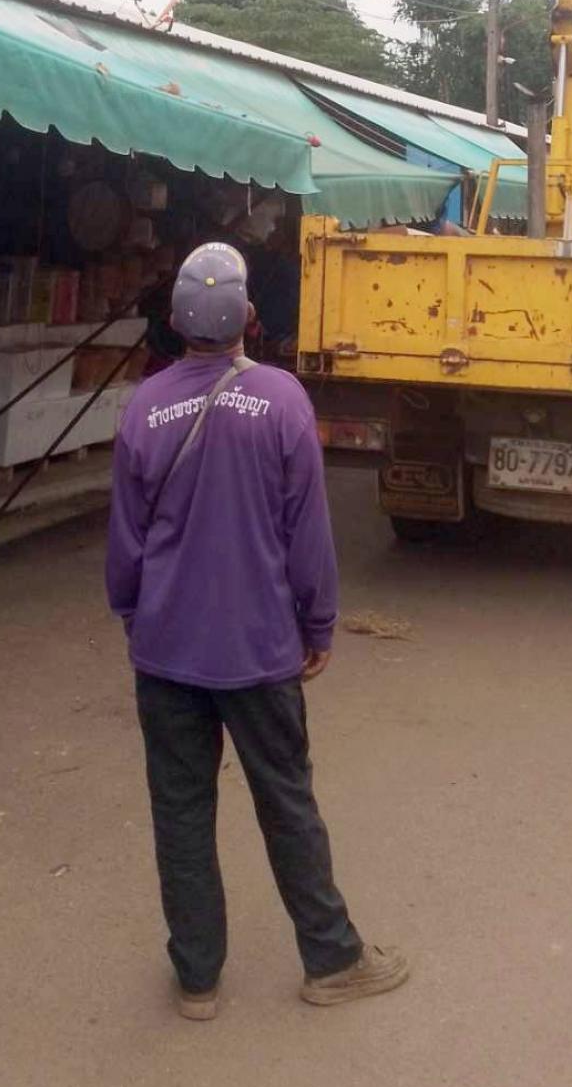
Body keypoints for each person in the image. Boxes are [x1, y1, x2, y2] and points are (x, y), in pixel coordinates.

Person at [105, 240, 408, 1020]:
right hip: (260, 650)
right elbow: (307, 532)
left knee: (179, 810)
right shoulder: (281, 402)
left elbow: (126, 545)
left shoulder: (142, 408)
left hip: (167, 653)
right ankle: (333, 958)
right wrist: (320, 623)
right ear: (246, 318)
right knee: (286, 800)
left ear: (174, 322)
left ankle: (197, 980)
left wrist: (140, 618)